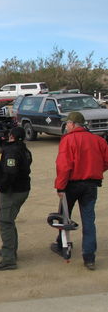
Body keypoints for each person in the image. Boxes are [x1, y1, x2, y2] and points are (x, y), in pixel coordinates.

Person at [52, 112, 108, 270]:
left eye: (67, 124)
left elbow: (64, 166)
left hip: (71, 184)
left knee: (64, 215)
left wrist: (60, 186)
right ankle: (89, 257)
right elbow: (106, 161)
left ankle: (62, 245)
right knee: (89, 220)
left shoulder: (68, 140)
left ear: (72, 124)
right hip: (91, 184)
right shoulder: (98, 140)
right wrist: (95, 171)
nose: (66, 126)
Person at [0, 127, 32, 271]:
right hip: (20, 189)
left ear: (12, 136)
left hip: (13, 191)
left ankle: (9, 259)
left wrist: (2, 186)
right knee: (9, 220)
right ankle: (10, 250)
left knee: (5, 221)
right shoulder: (23, 150)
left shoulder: (12, 151)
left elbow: (10, 172)